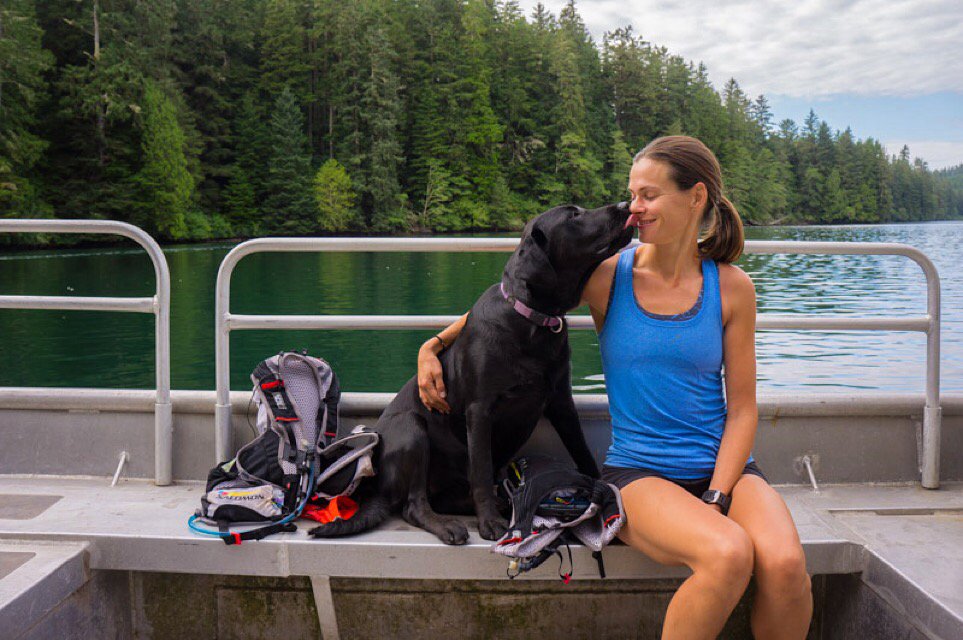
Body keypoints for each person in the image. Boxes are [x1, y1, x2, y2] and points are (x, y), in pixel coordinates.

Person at [416, 136, 813, 639]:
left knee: (785, 566)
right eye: (632, 193)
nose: (633, 207)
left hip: (726, 471)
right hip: (640, 475)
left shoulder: (732, 287)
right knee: (729, 553)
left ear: (695, 198)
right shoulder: (606, 278)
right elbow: (510, 301)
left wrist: (718, 492)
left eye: (648, 195)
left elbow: (742, 411)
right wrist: (434, 344)